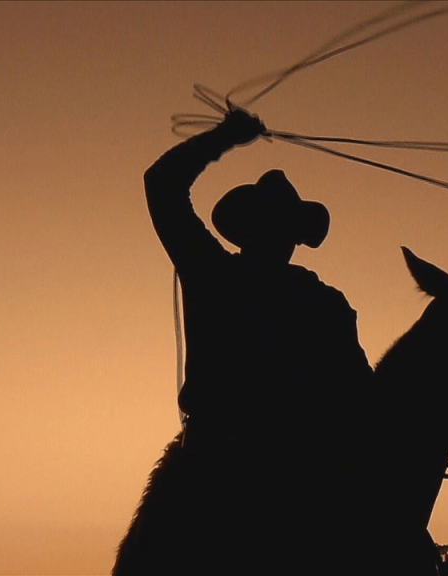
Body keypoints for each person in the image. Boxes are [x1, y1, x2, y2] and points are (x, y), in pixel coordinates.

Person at [141, 108, 374, 570]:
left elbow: (163, 184)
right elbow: (363, 398)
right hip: (269, 475)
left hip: (238, 471)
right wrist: (223, 138)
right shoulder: (319, 301)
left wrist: (224, 138)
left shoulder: (217, 273)